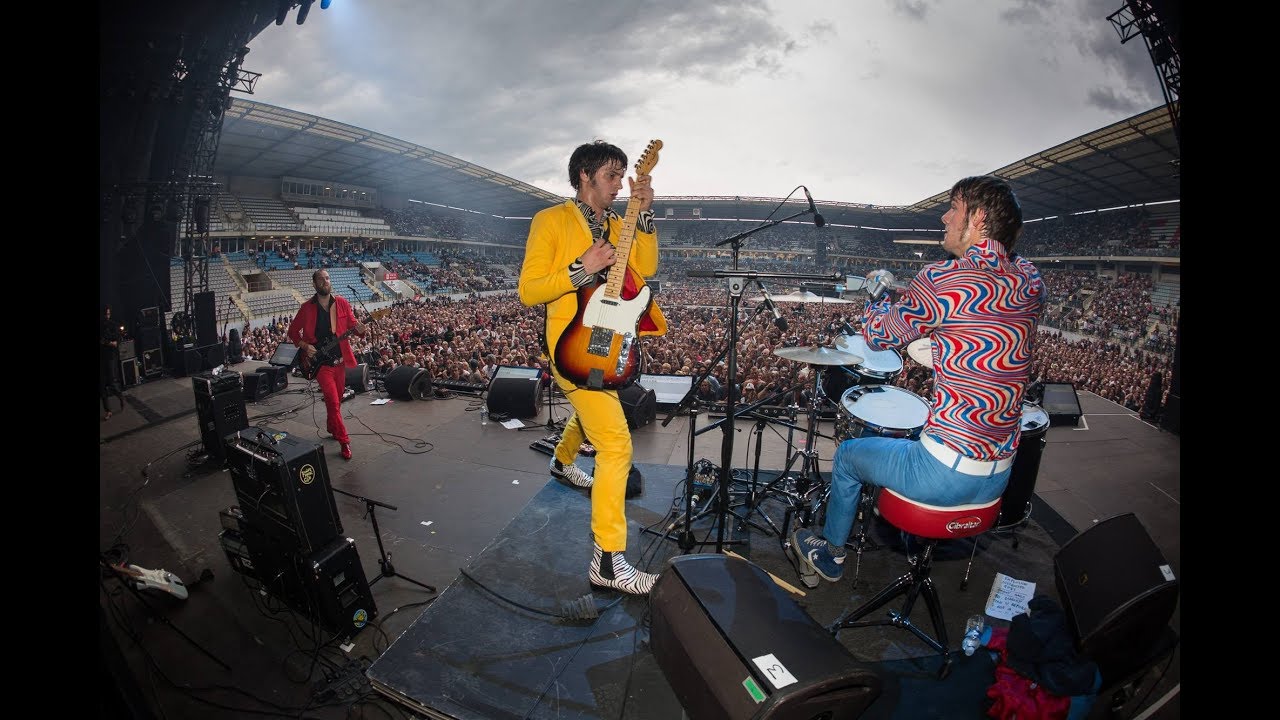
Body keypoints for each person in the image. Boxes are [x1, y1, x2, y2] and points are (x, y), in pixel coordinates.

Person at [793, 175, 1045, 582]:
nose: (945, 217)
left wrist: (875, 298)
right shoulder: (1032, 280)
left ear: (978, 218)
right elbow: (987, 322)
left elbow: (878, 335)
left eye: (954, 208)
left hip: (945, 475)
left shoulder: (943, 279)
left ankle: (832, 555)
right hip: (1001, 475)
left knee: (849, 455)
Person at [517, 140, 667, 594]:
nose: (619, 185)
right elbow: (529, 290)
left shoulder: (620, 222)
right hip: (570, 346)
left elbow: (647, 266)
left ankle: (563, 463)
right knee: (616, 443)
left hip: (609, 339)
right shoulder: (551, 220)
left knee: (592, 413)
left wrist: (643, 214)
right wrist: (581, 269)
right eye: (611, 176)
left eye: (623, 177)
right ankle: (608, 561)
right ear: (584, 176)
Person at [288, 269, 367, 461]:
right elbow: (292, 332)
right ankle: (344, 441)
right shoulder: (307, 308)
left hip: (339, 363)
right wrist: (305, 346)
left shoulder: (341, 303)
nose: (325, 281)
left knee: (336, 402)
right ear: (314, 284)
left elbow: (353, 326)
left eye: (327, 278)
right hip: (321, 366)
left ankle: (332, 426)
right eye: (321, 279)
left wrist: (360, 331)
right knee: (332, 401)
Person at [100, 305, 125, 420]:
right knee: (101, 386)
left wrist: (110, 343)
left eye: (108, 314)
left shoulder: (113, 325)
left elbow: (117, 340)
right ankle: (108, 410)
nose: (107, 316)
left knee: (111, 381)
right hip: (102, 357)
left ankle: (120, 396)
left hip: (111, 357)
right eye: (105, 314)